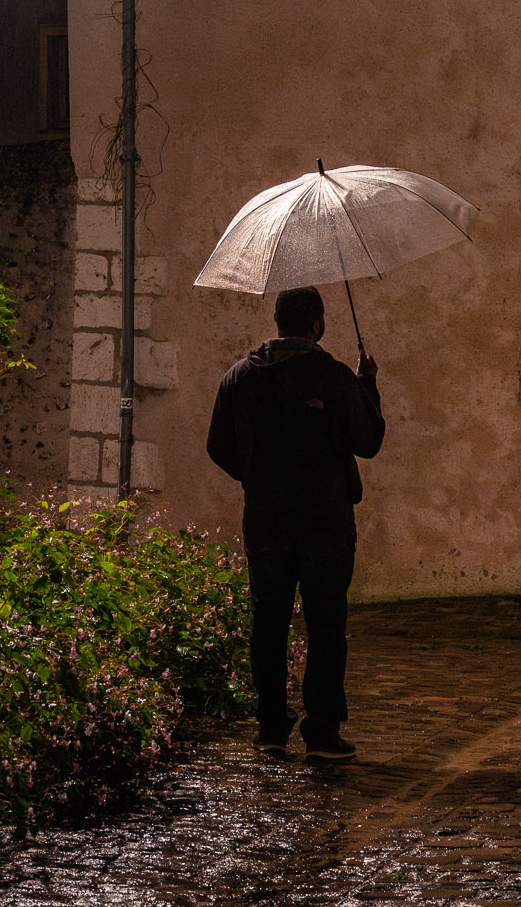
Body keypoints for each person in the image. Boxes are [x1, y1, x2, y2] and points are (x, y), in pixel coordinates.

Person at [205, 284, 384, 760]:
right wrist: (368, 384)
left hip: (265, 520)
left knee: (268, 622)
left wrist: (258, 479)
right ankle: (322, 733)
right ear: (318, 325)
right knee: (326, 623)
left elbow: (218, 447)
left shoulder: (238, 378)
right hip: (325, 522)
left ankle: (270, 728)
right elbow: (368, 442)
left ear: (278, 321)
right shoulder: (335, 377)